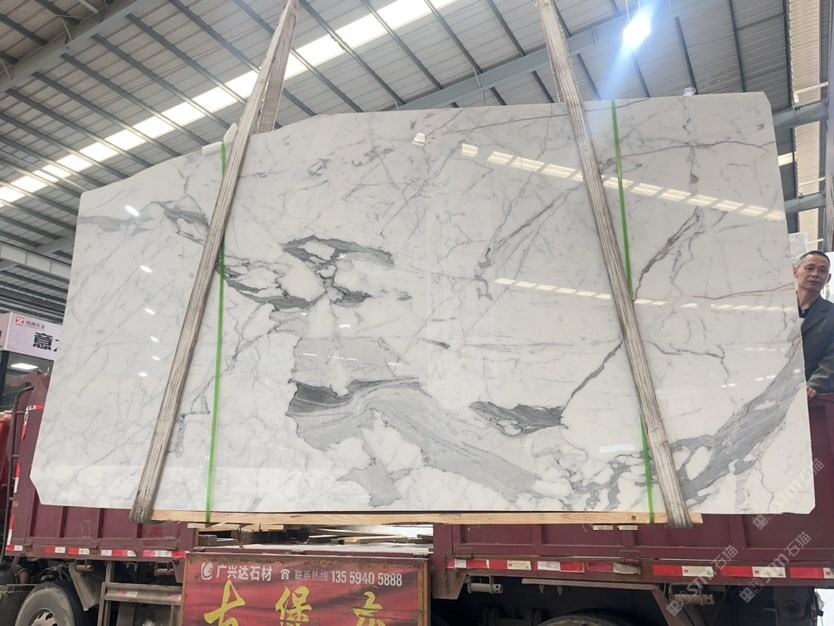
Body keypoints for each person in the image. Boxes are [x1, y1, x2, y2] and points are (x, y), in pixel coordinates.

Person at [795, 250, 834, 398]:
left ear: (828, 278)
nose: (815, 274)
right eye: (809, 268)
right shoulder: (778, 309)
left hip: (811, 397)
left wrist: (815, 384)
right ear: (795, 271)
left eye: (822, 270)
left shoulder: (831, 314)